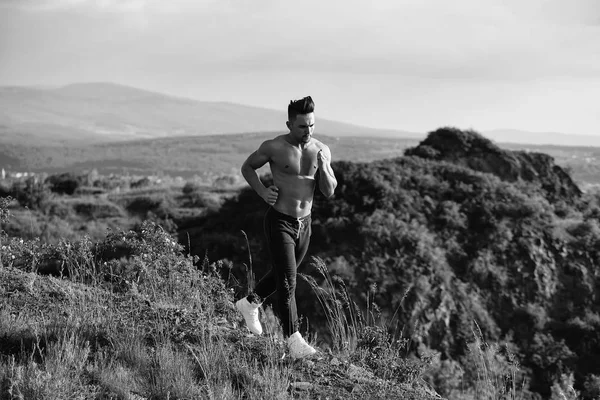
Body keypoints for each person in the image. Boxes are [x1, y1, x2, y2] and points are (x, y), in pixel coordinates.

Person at [236, 96, 337, 359]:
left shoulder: (321, 149)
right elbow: (248, 167)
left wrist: (324, 167)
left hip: (304, 224)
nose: (308, 131)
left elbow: (329, 191)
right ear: (289, 124)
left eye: (312, 125)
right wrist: (261, 191)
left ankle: (249, 304)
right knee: (288, 279)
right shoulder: (274, 147)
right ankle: (293, 340)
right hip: (279, 219)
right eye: (303, 126)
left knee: (283, 273)